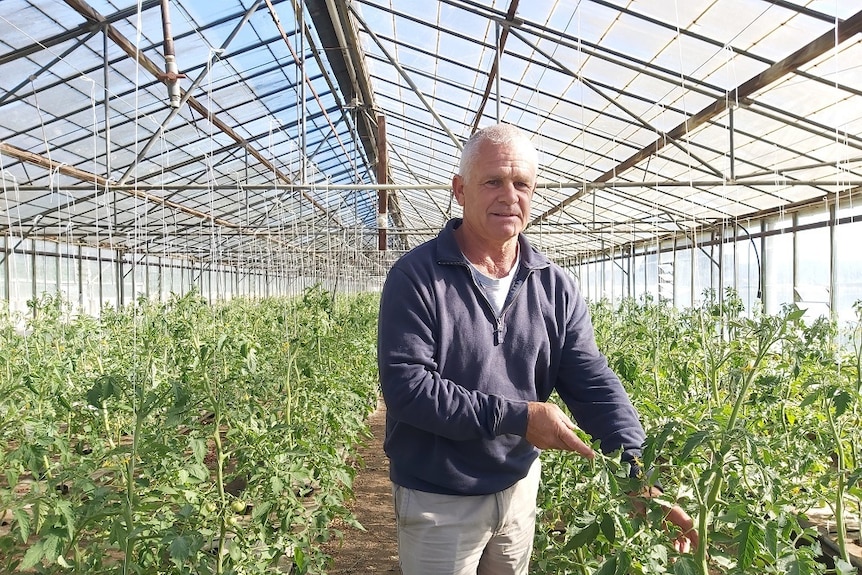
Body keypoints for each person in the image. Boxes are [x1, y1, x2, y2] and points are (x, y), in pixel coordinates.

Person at [377, 123, 697, 575]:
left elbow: (591, 382)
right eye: (493, 181)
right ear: (459, 190)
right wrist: (520, 417)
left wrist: (638, 476)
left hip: (518, 487)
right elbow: (408, 389)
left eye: (521, 183)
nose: (509, 196)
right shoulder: (417, 277)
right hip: (439, 495)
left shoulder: (552, 285)